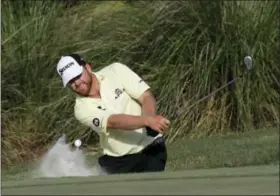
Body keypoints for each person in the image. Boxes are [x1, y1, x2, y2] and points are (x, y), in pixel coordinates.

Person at [56, 53, 171, 174]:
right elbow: (112, 121)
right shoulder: (80, 109)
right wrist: (147, 121)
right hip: (119, 161)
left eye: (78, 76)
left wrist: (150, 117)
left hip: (151, 148)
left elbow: (145, 96)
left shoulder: (115, 71)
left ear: (88, 67)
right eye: (70, 81)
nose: (77, 83)